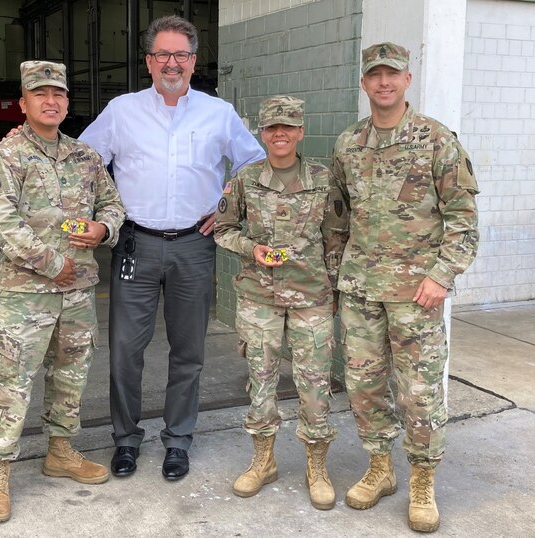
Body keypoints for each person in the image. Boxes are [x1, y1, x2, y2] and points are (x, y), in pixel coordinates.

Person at [79, 14, 265, 481]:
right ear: (148, 61)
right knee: (125, 350)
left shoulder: (217, 113)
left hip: (194, 247)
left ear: (194, 61)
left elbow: (255, 165)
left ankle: (178, 439)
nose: (172, 63)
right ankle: (125, 439)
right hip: (135, 245)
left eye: (181, 54)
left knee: (188, 351)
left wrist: (226, 208)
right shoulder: (122, 111)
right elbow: (81, 164)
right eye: (162, 54)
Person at [332, 42, 479, 532]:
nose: (383, 83)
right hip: (360, 291)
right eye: (374, 75)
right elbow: (337, 218)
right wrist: (338, 274)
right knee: (365, 387)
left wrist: (441, 276)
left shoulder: (437, 140)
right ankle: (380, 468)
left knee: (418, 391)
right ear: (364, 82)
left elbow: (464, 220)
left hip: (417, 292)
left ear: (407, 79)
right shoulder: (349, 143)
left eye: (392, 74)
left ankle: (422, 479)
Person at [0, 60, 126, 524]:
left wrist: (105, 229)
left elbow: (113, 204)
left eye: (58, 94)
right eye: (40, 94)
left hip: (77, 293)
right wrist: (53, 265)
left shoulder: (85, 157)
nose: (51, 101)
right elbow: (0, 221)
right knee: (10, 383)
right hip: (25, 292)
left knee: (71, 378)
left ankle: (60, 451)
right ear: (23, 103)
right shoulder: (7, 157)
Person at [215, 96, 347, 510]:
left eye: (288, 127)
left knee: (314, 386)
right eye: (273, 128)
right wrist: (250, 248)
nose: (280, 134)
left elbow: (337, 238)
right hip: (259, 298)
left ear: (301, 132)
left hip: (311, 297)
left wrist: (335, 292)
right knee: (261, 382)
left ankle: (316, 465)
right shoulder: (245, 179)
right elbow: (222, 228)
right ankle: (263, 461)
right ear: (263, 133)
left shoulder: (323, 179)